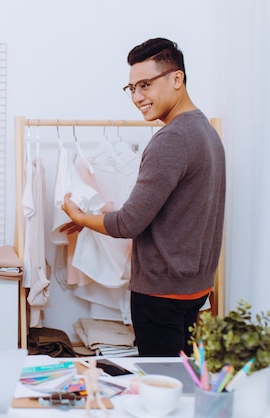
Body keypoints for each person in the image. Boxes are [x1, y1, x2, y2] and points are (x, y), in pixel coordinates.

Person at [61, 38, 225, 357]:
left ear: (176, 79)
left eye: (145, 85)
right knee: (182, 385)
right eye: (132, 88)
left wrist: (80, 217)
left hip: (162, 295)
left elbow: (129, 222)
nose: (137, 97)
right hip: (195, 288)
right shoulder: (206, 131)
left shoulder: (172, 139)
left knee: (158, 388)